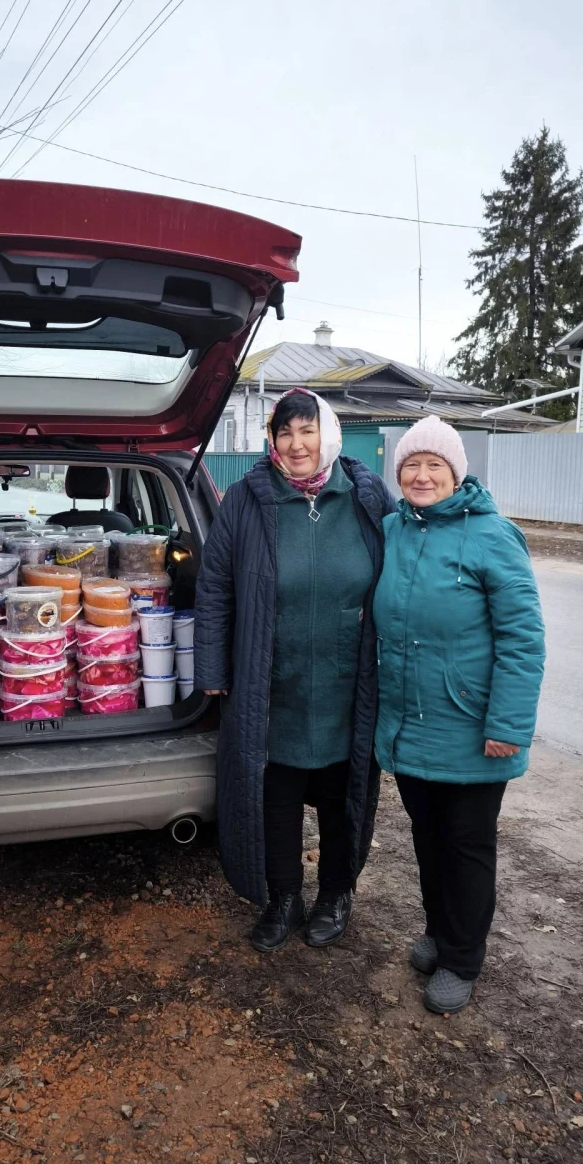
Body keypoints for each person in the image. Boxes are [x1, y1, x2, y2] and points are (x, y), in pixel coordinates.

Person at [194, 388, 395, 952]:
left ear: (326, 434)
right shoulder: (245, 500)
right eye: (285, 433)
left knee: (341, 798)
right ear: (272, 441)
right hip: (270, 680)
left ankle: (335, 895)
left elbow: (401, 574)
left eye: (307, 431)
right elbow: (214, 589)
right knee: (273, 799)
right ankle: (283, 897)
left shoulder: (365, 495)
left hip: (345, 680)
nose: (297, 443)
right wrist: (212, 665)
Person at [373, 417, 545, 1014]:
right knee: (427, 838)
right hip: (410, 721)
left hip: (473, 727)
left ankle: (463, 958)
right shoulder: (393, 529)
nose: (421, 476)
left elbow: (523, 639)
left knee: (467, 844)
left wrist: (507, 725)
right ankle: (439, 931)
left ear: (456, 474)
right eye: (411, 466)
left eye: (434, 466)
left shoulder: (495, 536)